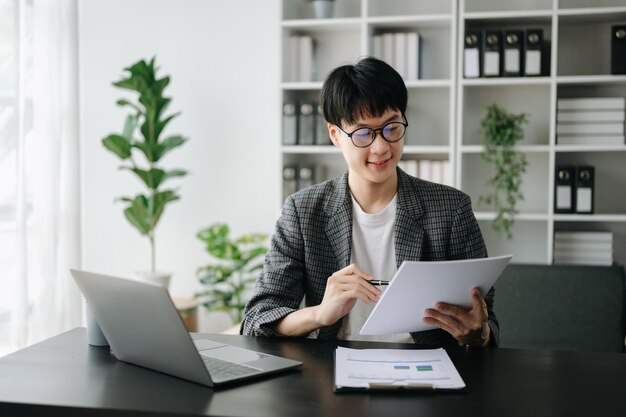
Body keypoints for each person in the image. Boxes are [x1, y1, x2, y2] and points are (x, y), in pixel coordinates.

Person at [241, 57, 498, 348]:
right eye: (363, 133)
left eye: (391, 128)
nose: (381, 147)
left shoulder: (452, 209)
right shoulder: (302, 212)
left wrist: (479, 334)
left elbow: (488, 326)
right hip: (333, 368)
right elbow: (256, 321)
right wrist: (320, 314)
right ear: (335, 135)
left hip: (427, 368)